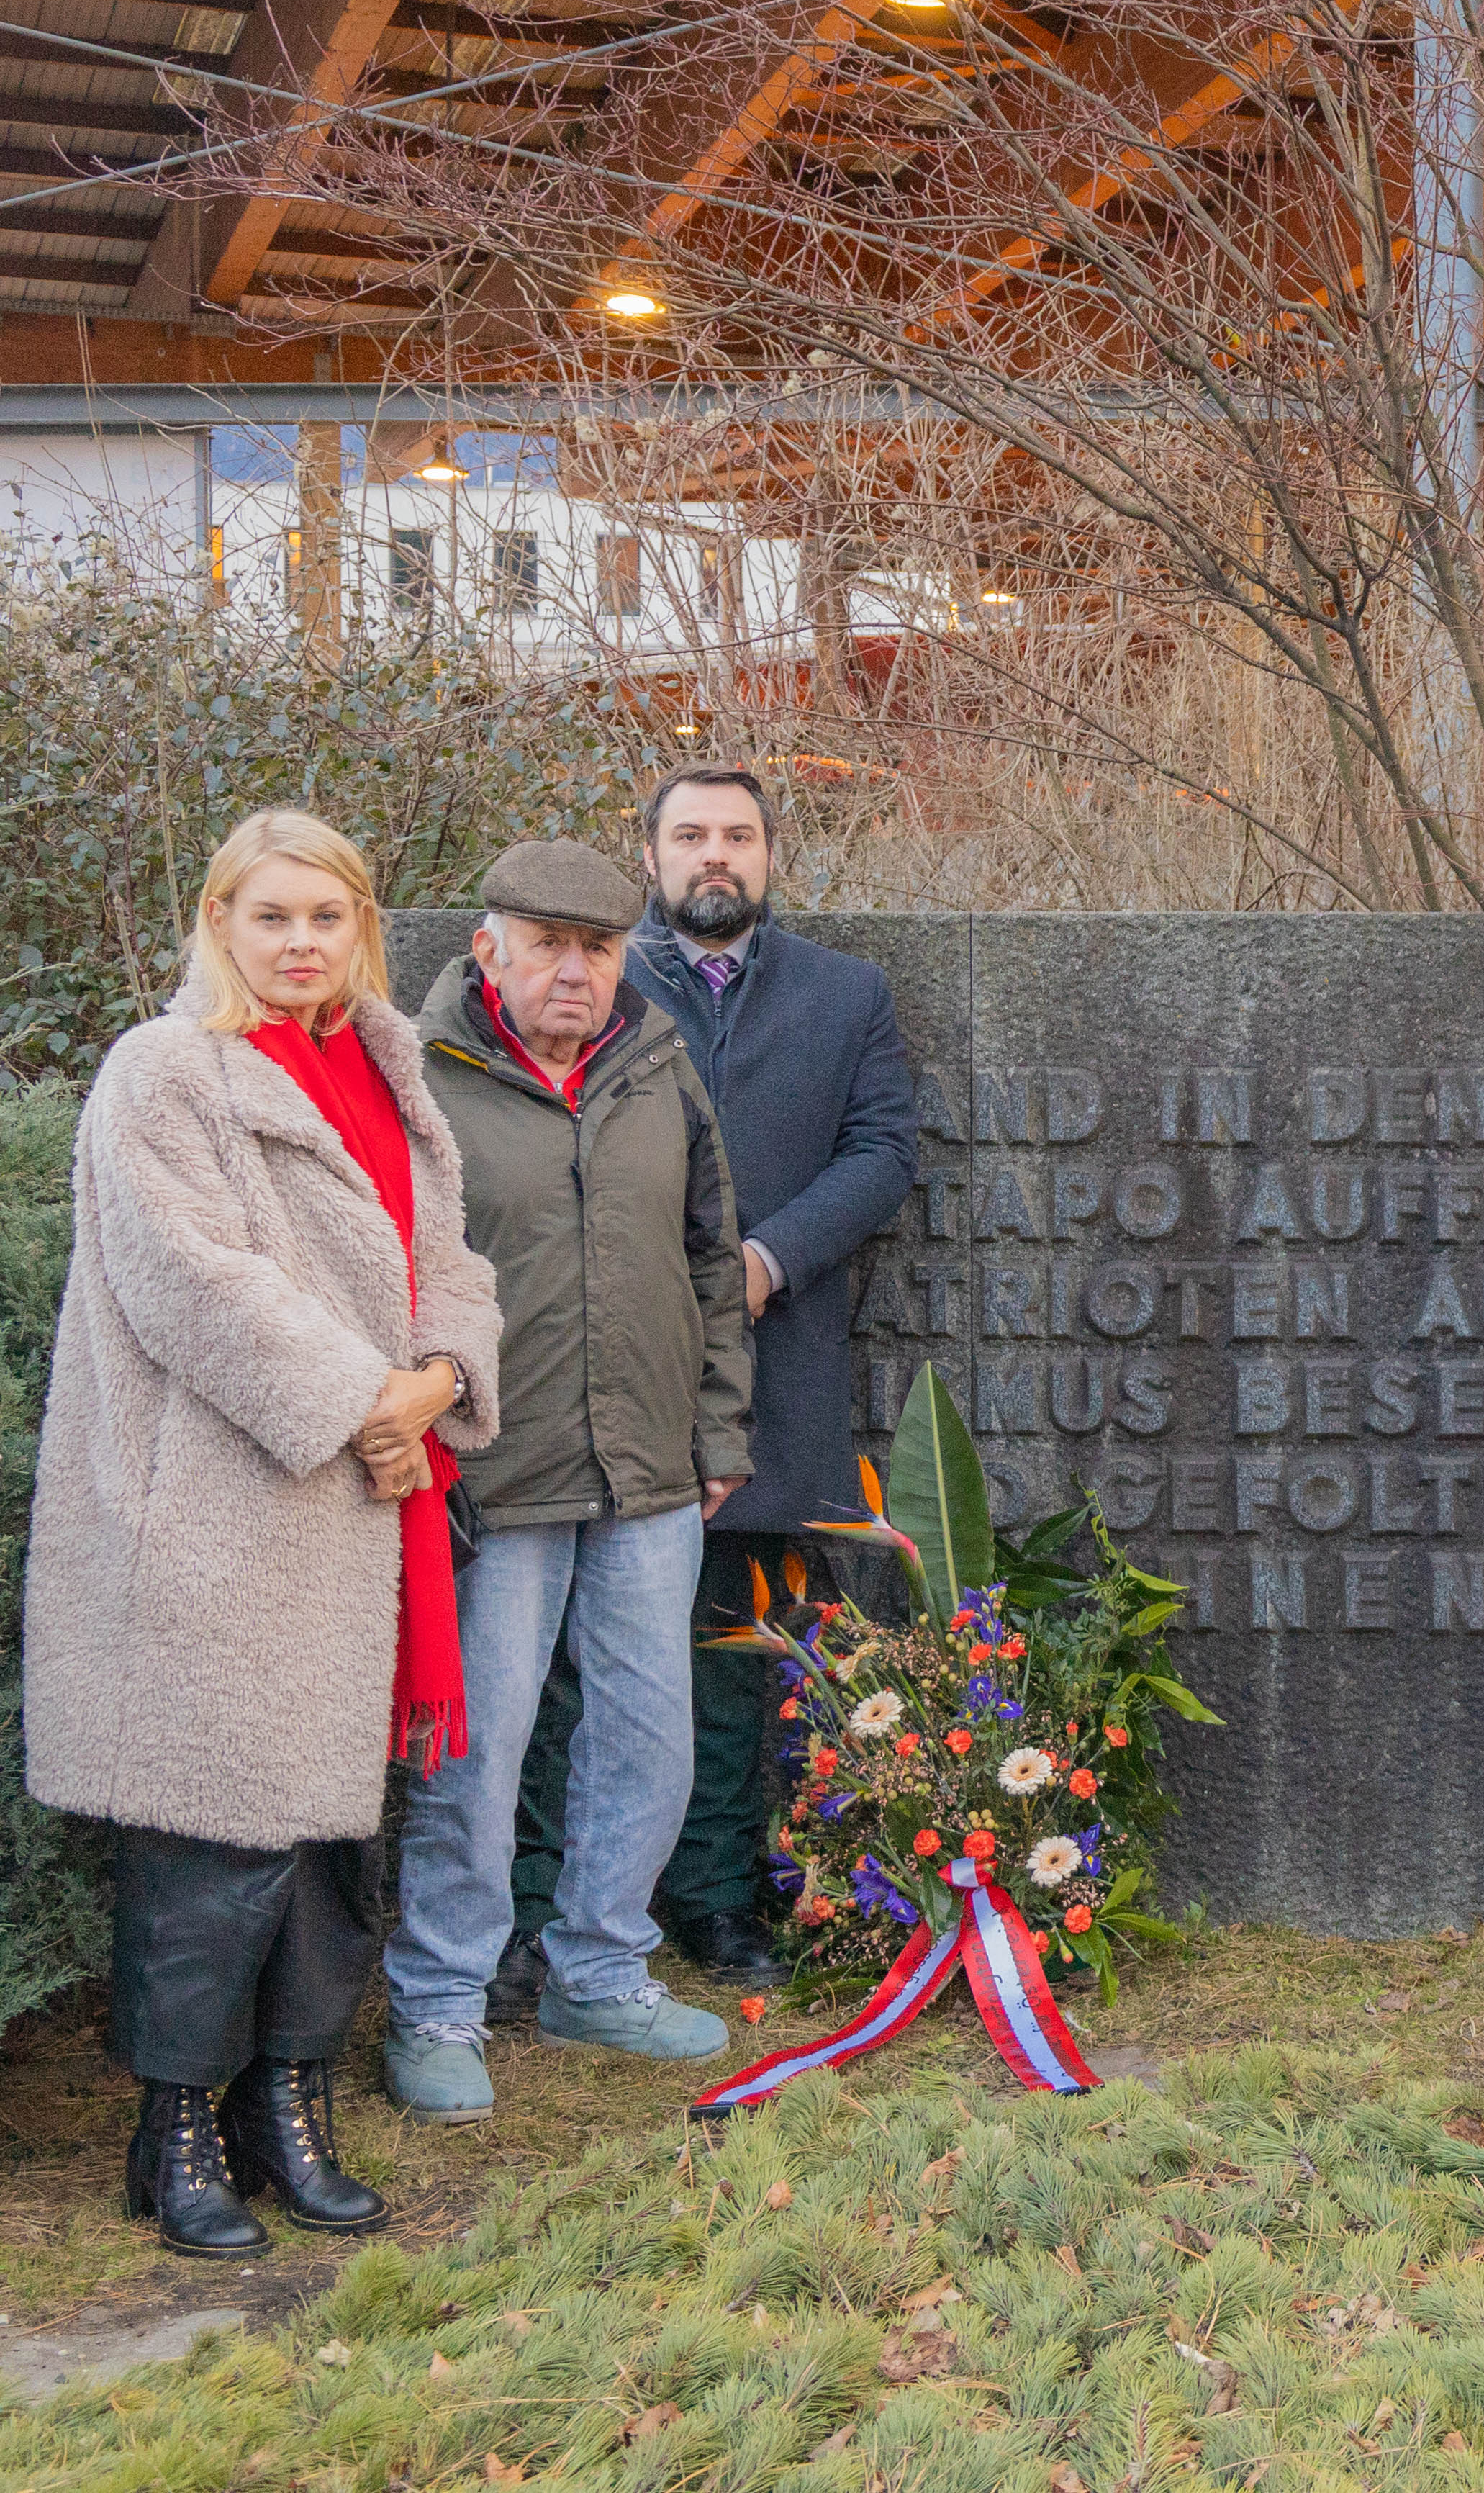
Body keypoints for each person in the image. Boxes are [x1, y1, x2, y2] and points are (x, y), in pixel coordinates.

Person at [22, 809, 499, 2254]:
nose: (303, 943)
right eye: (274, 916)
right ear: (219, 920)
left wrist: (442, 1376)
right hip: (226, 1517)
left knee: (338, 1843)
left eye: (329, 917)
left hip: (375, 1512)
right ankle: (174, 2133)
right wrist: (368, 1399)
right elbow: (191, 1282)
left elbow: (453, 1258)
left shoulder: (386, 1065)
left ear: (364, 928)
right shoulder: (164, 1072)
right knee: (216, 1841)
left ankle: (289, 2106)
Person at [492, 774, 917, 2000]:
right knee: (563, 1661)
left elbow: (885, 1148)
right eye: (690, 836)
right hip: (583, 1373)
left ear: (772, 854)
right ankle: (539, 1915)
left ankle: (716, 1895)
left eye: (737, 835)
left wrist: (765, 1261)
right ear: (651, 856)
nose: (714, 855)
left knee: (730, 1642)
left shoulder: (847, 994)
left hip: (763, 1368)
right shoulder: (594, 982)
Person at [382, 840, 756, 2122]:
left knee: (651, 1733)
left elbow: (713, 1260)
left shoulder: (659, 1067)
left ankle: (598, 1968)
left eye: (598, 947)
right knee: (472, 1756)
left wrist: (717, 1433)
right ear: (488, 949)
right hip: (494, 1470)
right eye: (545, 942)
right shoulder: (423, 1075)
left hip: (651, 1467)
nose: (574, 970)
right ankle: (438, 1999)